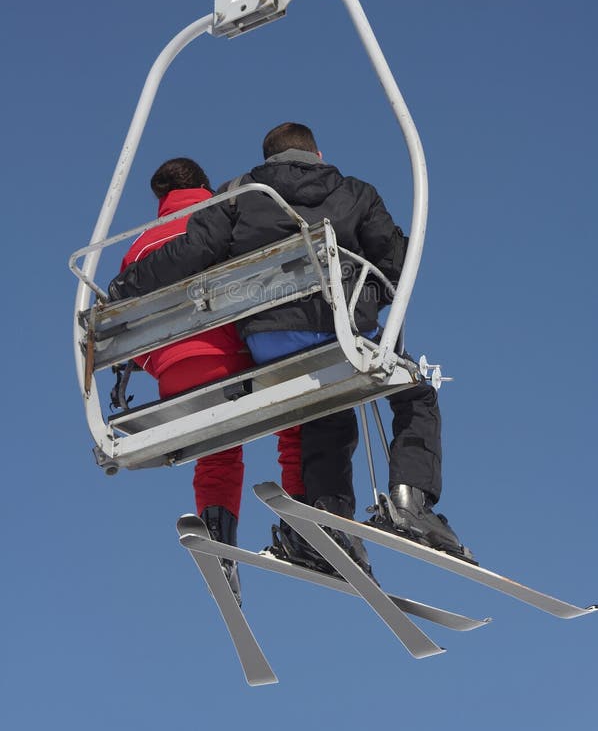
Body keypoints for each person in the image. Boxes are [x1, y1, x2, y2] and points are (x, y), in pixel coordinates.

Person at [109, 125, 472, 567]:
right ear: (318, 152)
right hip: (341, 333)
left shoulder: (238, 196)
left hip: (268, 344)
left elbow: (194, 249)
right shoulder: (354, 192)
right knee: (416, 393)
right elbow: (395, 263)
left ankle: (328, 522)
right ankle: (409, 500)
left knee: (325, 410)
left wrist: (127, 286)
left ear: (265, 159)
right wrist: (378, 296)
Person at [119, 157, 304, 601]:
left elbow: (127, 333)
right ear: (204, 185)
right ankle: (305, 525)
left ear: (161, 197)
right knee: (299, 421)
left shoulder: (137, 248)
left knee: (217, 453)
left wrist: (161, 361)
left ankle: (220, 539)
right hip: (234, 361)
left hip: (174, 381)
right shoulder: (228, 219)